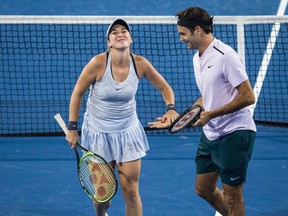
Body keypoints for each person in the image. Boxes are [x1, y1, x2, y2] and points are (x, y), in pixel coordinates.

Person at [149, 7, 256, 216]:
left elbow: (248, 96)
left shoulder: (226, 56)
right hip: (211, 134)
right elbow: (207, 96)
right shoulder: (197, 58)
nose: (181, 39)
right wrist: (181, 118)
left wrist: (211, 114)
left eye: (183, 33)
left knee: (232, 196)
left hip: (234, 134)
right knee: (203, 188)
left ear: (197, 30)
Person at [65, 19, 178, 216]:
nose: (120, 34)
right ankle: (101, 213)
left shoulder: (140, 64)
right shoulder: (97, 64)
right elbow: (77, 93)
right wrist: (73, 128)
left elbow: (164, 88)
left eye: (124, 31)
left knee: (131, 192)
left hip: (127, 132)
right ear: (109, 42)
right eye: (114, 32)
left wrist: (170, 109)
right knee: (102, 196)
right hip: (99, 133)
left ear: (130, 39)